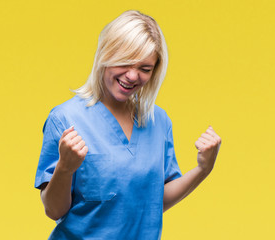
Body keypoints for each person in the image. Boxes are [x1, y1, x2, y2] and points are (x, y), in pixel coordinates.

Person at [34, 10, 221, 240]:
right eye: (125, 62)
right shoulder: (65, 119)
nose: (133, 76)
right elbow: (53, 210)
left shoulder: (158, 121)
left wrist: (203, 169)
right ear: (106, 54)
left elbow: (154, 201)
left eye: (145, 69)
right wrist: (64, 167)